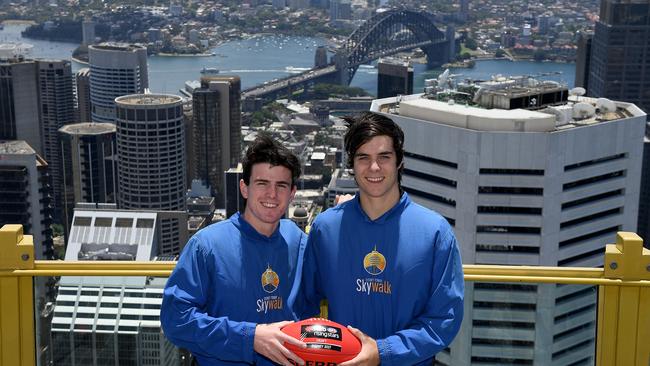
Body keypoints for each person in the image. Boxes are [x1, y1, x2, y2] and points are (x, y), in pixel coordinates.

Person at [301, 112, 465, 365]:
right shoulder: (326, 228)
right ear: (351, 165)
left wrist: (382, 352)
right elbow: (303, 305)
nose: (374, 167)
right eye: (363, 157)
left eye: (384, 157)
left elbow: (445, 319)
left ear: (400, 162)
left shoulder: (435, 232)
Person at [161, 136, 316, 366]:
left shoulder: (299, 242)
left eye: (281, 186)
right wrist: (249, 338)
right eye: (262, 183)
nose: (272, 194)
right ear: (244, 188)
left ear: (292, 193)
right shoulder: (206, 246)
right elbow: (175, 320)